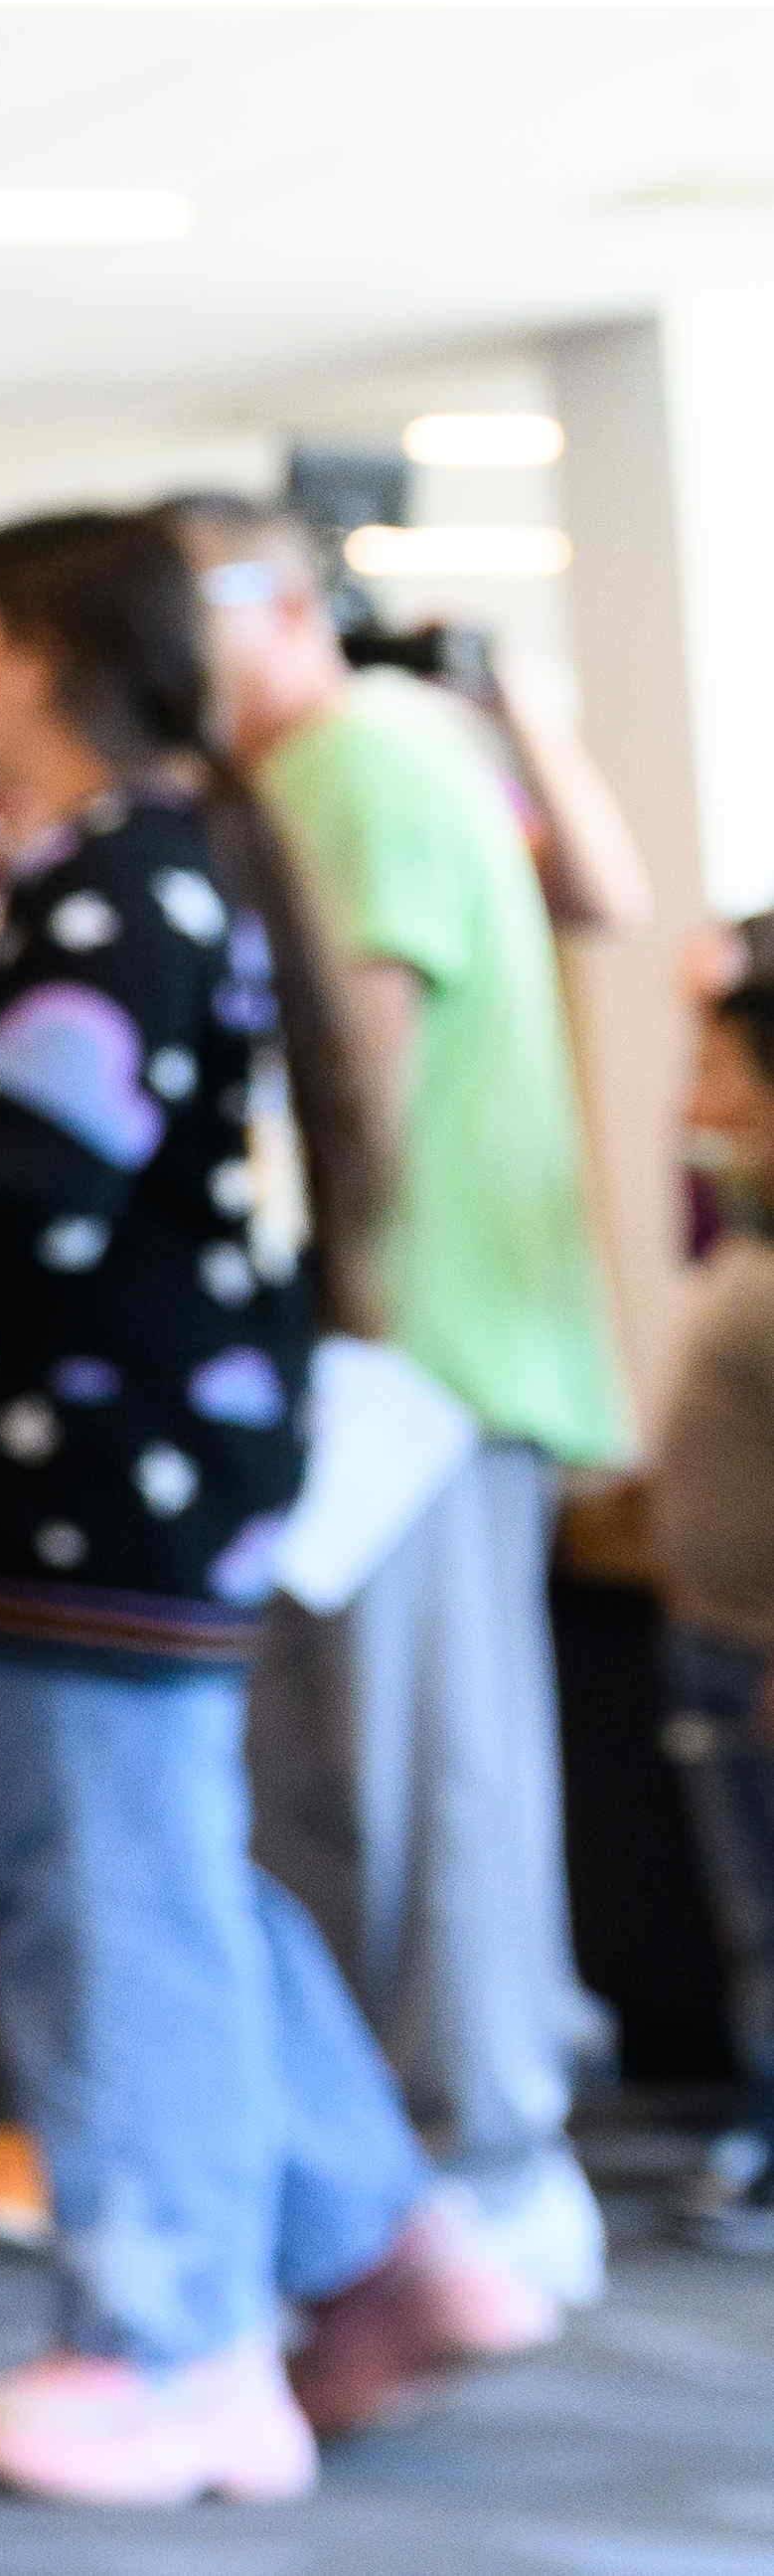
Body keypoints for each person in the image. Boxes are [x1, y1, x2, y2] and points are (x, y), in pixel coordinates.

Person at [0, 514, 537, 2504]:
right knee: (165, 1869)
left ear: (33, 650)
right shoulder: (146, 866)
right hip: (128, 1475)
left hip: (100, 1482)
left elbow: (24, 1176)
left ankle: (174, 2338)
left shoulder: (113, 887)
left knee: (104, 1893)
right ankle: (380, 2238)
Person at [174, 498, 633, 2307]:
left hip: (411, 1358)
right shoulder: (398, 756)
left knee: (420, 1783)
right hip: (448, 1354)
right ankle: (465, 2159)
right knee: (419, 1773)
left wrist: (309, 1341)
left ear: (278, 605)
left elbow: (353, 1086)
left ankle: (484, 2162)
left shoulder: (352, 769)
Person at [658, 958, 774, 2255]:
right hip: (713, 1639)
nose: (699, 1095)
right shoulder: (740, 1227)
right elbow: (684, 1213)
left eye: (722, 1066)